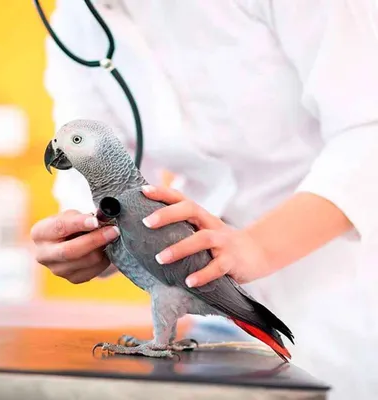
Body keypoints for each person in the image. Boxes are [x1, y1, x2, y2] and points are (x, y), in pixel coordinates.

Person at [30, 1, 378, 398]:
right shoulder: (75, 18)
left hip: (333, 286)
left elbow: (369, 130)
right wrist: (81, 239)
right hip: (198, 310)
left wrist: (258, 246)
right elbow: (89, 150)